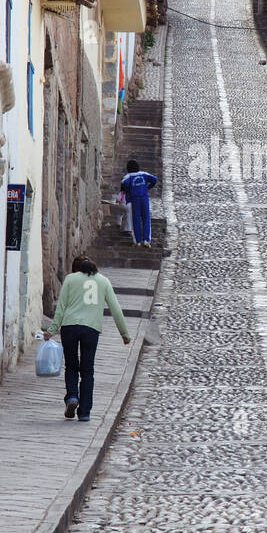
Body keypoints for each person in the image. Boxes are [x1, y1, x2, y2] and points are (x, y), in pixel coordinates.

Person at [44, 257, 131, 422]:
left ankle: (72, 398)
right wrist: (124, 334)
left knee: (71, 365)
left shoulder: (70, 279)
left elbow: (61, 308)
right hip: (91, 329)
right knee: (88, 370)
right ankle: (84, 412)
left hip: (69, 327)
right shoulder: (103, 281)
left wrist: (51, 330)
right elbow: (116, 309)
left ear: (76, 268)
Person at [121, 159, 158, 247]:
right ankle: (146, 240)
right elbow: (154, 179)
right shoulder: (144, 174)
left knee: (135, 220)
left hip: (134, 199)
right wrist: (147, 187)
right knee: (146, 219)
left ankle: (137, 241)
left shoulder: (128, 176)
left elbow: (123, 184)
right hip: (144, 198)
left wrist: (129, 191)